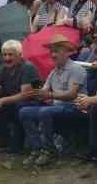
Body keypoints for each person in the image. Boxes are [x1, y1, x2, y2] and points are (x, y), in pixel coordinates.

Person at [19, 36, 86, 166]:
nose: (53, 54)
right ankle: (37, 148)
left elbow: (72, 95)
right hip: (57, 107)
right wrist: (36, 93)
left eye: (57, 51)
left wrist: (49, 95)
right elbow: (44, 92)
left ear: (67, 52)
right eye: (52, 51)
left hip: (75, 107)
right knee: (24, 111)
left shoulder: (76, 69)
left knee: (45, 111)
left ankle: (49, 151)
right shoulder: (54, 71)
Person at [0, 38, 41, 154]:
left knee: (18, 106)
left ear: (20, 55)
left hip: (32, 102)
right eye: (4, 55)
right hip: (13, 101)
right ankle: (2, 141)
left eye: (10, 55)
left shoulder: (27, 68)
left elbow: (25, 95)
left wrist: (1, 101)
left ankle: (17, 145)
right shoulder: (3, 69)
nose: (7, 58)